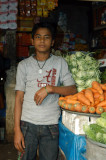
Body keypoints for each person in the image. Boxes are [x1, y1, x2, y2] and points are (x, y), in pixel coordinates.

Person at [14, 21, 77, 160]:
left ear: (53, 41)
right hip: (27, 125)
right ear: (32, 40)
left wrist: (50, 89)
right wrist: (16, 129)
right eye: (38, 37)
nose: (42, 40)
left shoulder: (60, 63)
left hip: (51, 126)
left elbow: (73, 89)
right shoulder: (23, 65)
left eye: (46, 37)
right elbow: (18, 98)